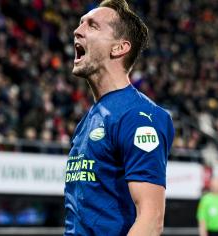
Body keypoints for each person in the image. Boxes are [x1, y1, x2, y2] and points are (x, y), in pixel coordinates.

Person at [64, 0, 174, 235]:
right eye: (80, 23)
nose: (77, 30)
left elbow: (151, 220)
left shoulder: (139, 117)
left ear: (119, 48)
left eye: (92, 26)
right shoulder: (88, 119)